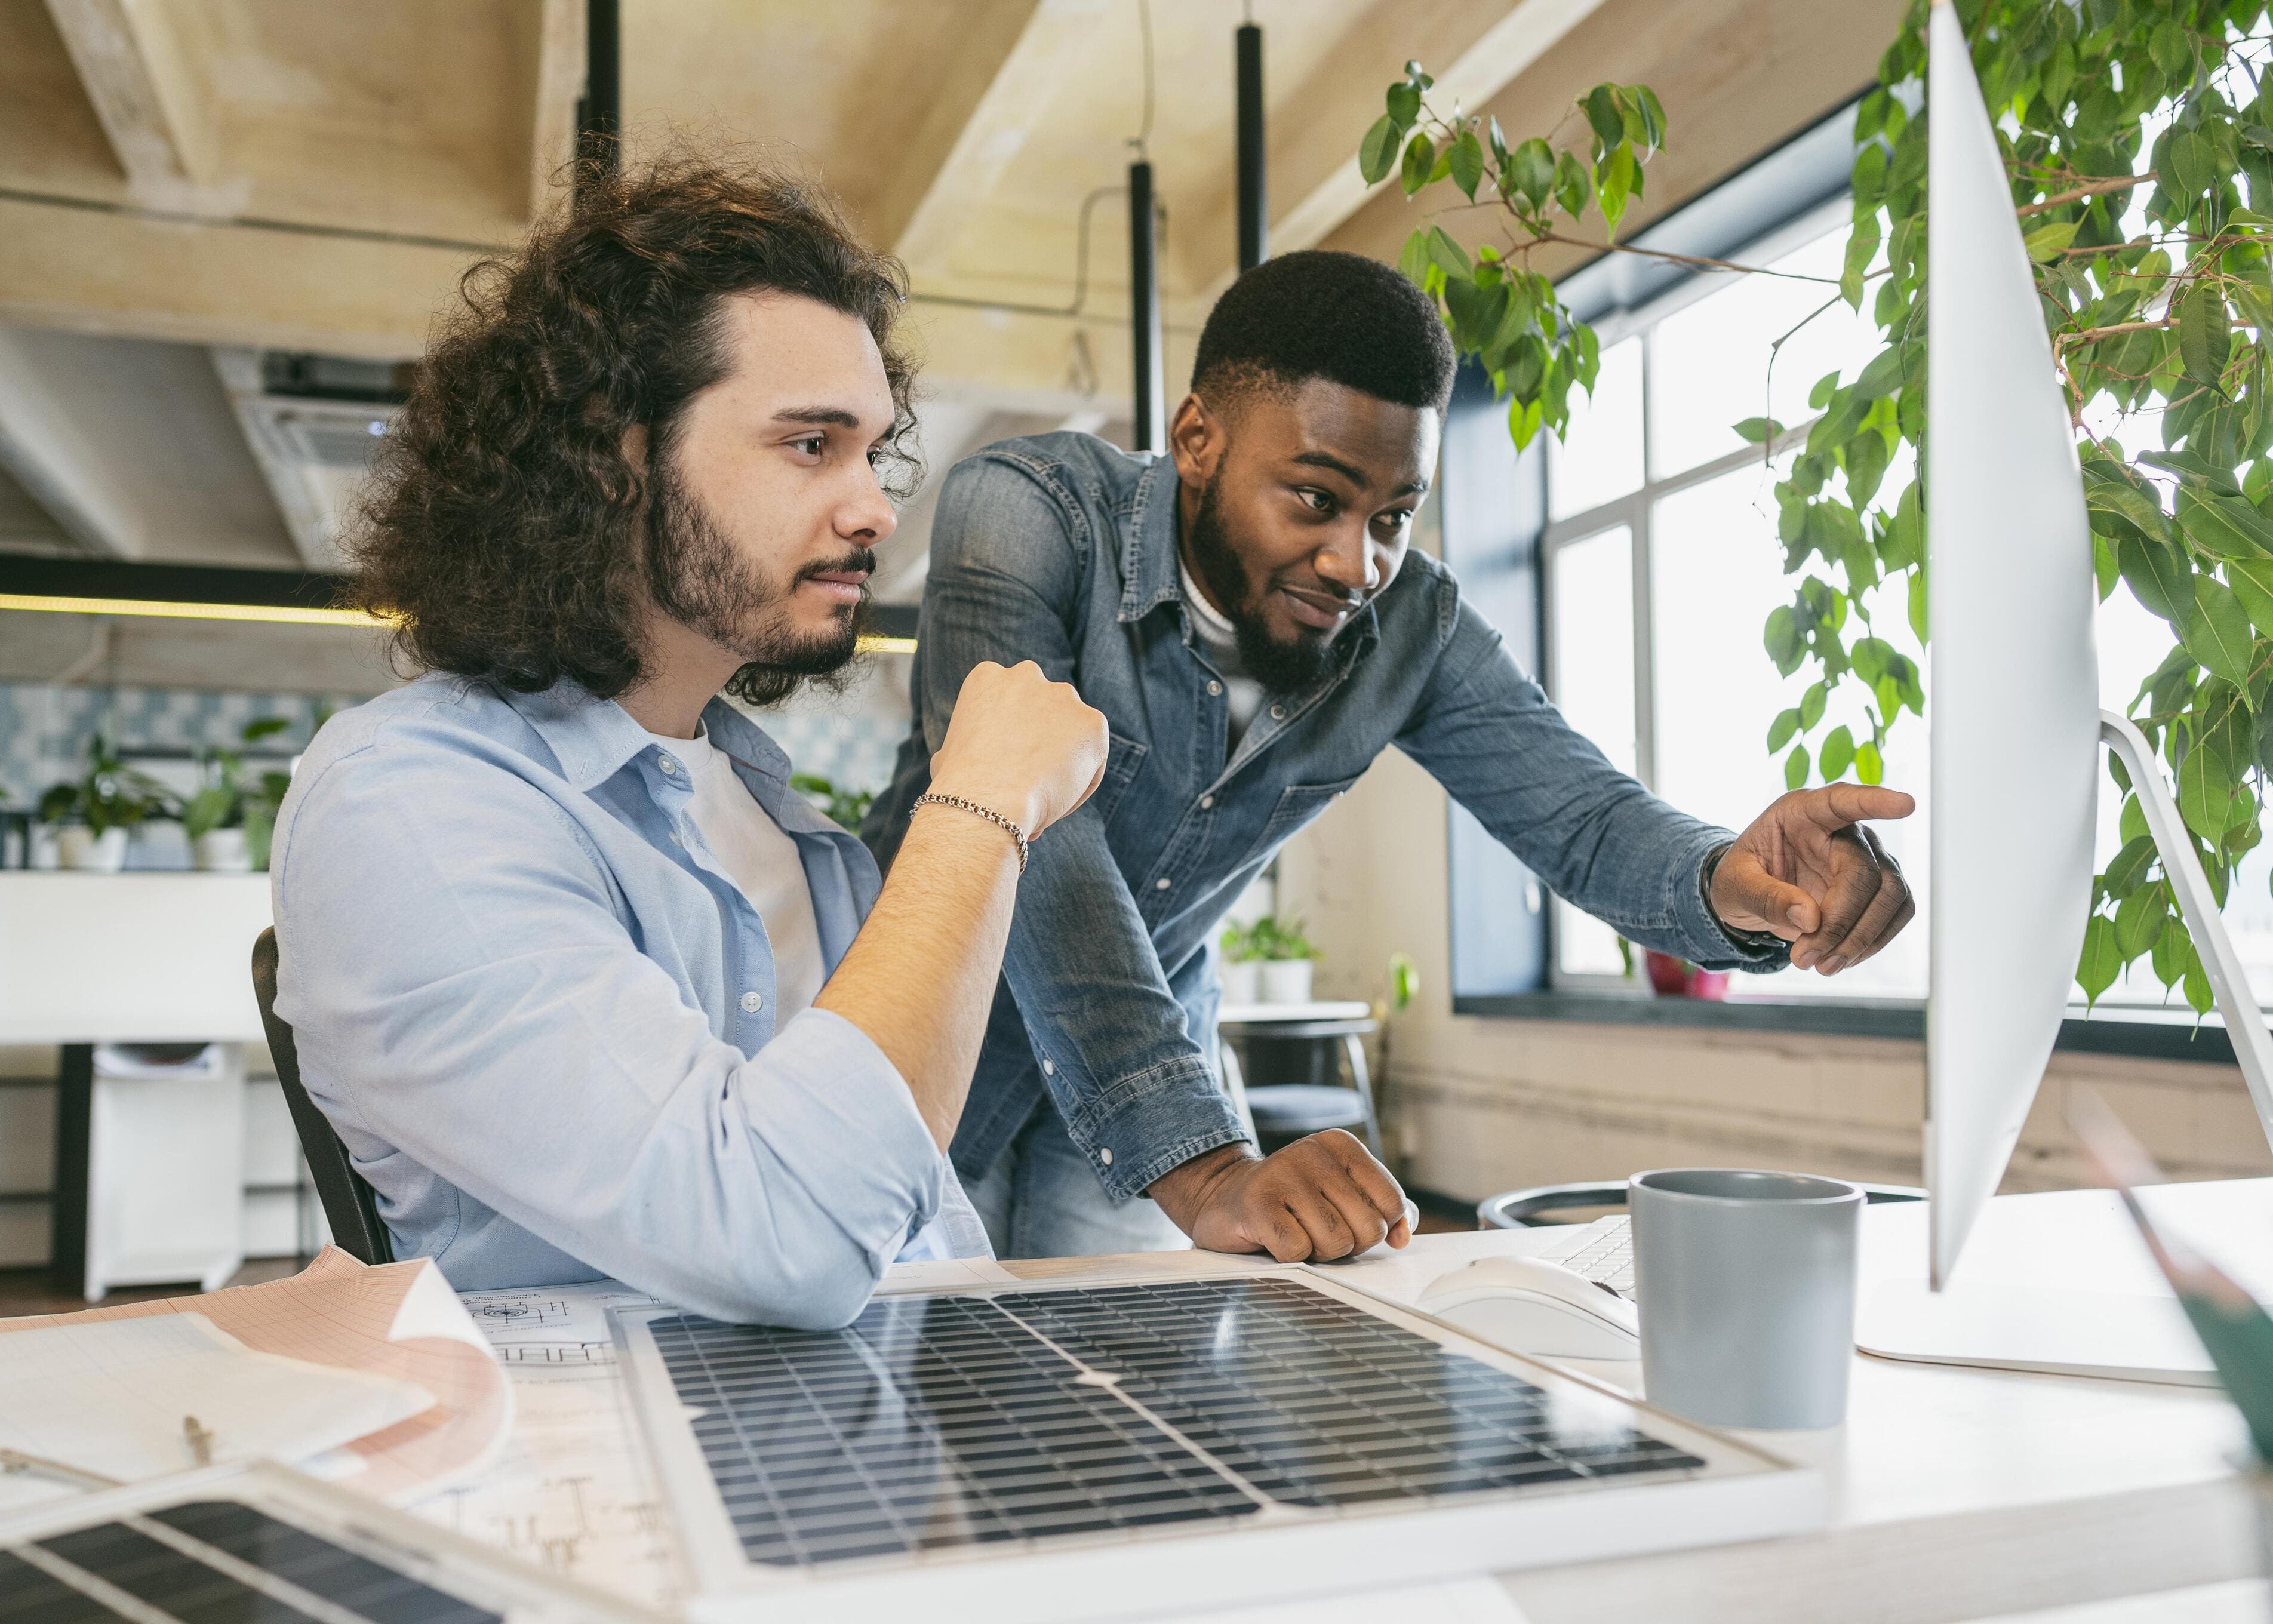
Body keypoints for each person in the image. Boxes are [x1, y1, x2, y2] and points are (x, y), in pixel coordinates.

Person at [865, 249, 1915, 1264]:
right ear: (1197, 439)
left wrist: (1734, 880)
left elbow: (1584, 817)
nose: (1354, 562)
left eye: (1396, 516)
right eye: (1316, 500)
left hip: (1145, 1065)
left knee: (1102, 1405)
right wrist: (1206, 1165)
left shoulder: (1417, 626)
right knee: (884, 1387)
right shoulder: (1027, 511)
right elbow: (1039, 838)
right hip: (918, 1028)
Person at [269, 156, 1108, 1328]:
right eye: (809, 444)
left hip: (854, 1440)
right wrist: (978, 806)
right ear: (619, 458)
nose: (873, 508)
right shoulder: (404, 800)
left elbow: (905, 1223)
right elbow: (787, 1234)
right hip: (615, 1480)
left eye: (872, 451)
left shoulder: (766, 806)